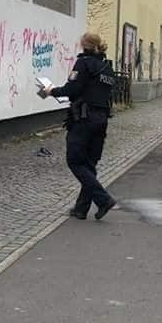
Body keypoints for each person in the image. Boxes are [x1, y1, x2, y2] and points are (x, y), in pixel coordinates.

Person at [39, 32, 117, 220]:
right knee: (89, 164)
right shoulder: (107, 68)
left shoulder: (84, 63)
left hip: (84, 118)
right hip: (102, 119)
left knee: (74, 161)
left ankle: (103, 199)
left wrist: (51, 91)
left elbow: (71, 90)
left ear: (84, 45)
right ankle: (81, 209)